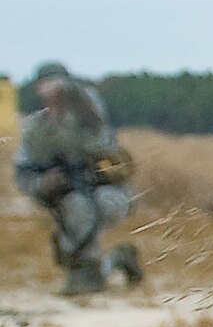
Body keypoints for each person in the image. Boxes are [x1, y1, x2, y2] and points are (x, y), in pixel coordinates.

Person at [12, 62, 142, 295]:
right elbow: (23, 172)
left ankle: (94, 268)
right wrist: (44, 183)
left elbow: (109, 149)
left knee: (98, 207)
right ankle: (103, 265)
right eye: (47, 84)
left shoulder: (89, 117)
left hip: (106, 192)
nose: (54, 91)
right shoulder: (37, 129)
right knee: (77, 211)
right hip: (66, 196)